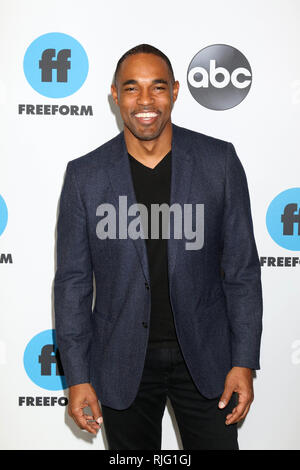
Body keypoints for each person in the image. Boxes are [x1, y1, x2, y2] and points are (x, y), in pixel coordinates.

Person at [54, 44, 263, 450]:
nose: (145, 101)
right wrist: (78, 377)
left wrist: (244, 362)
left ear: (176, 91)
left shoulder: (218, 162)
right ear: (115, 95)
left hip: (206, 360)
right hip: (121, 362)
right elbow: (73, 285)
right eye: (132, 89)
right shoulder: (85, 176)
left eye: (158, 88)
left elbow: (241, 271)